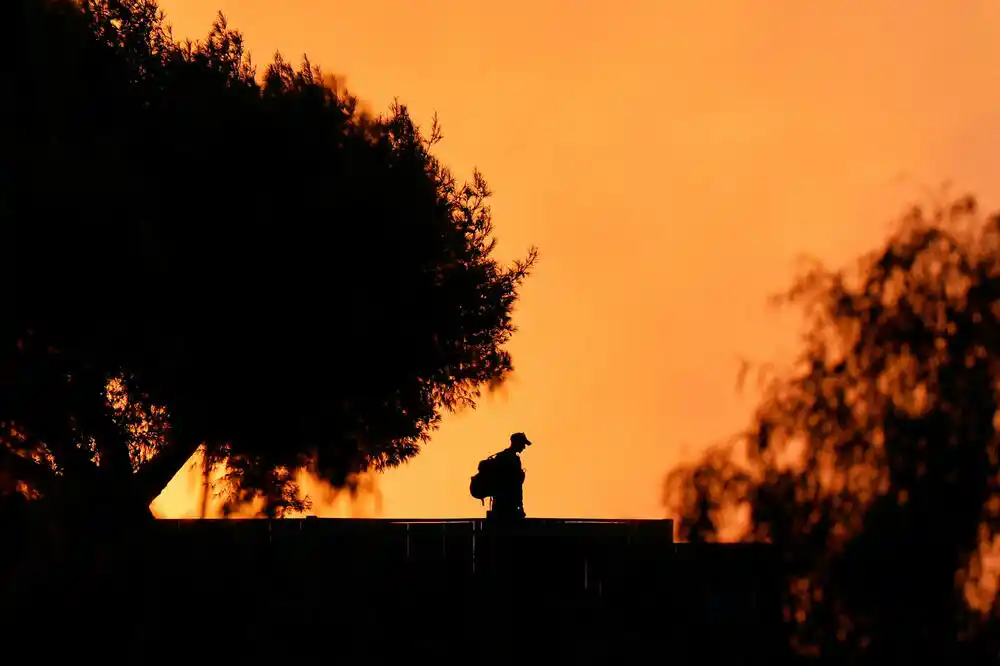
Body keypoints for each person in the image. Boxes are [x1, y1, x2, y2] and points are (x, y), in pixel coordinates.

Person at [486, 432, 531, 520]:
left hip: (498, 504)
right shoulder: (513, 460)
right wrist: (520, 506)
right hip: (509, 506)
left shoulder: (501, 456)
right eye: (522, 444)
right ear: (517, 443)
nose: (524, 447)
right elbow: (516, 485)